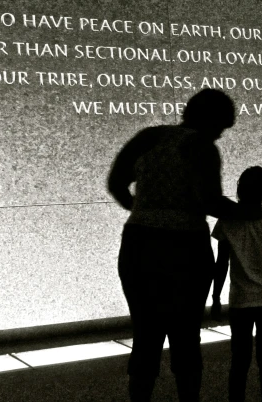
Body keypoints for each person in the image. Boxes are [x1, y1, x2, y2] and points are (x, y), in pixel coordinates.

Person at [107, 88, 245, 402]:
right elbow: (210, 201)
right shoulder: (202, 146)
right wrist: (246, 212)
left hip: (139, 245)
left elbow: (116, 183)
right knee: (185, 338)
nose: (221, 135)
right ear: (210, 120)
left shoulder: (149, 137)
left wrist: (143, 210)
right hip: (186, 248)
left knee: (146, 337)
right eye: (221, 126)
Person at [211, 166, 262, 402]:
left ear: (240, 191)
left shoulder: (226, 224)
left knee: (239, 360)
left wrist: (215, 299)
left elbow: (221, 265)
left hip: (240, 299)